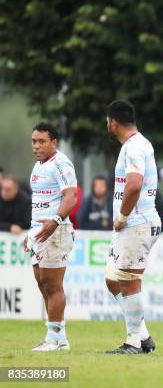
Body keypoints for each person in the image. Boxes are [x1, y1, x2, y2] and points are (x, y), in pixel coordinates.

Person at [104, 99, 161, 354]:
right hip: (130, 225)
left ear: (113, 122)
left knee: (129, 281)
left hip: (136, 223)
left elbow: (134, 184)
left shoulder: (134, 147)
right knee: (112, 278)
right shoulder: (134, 145)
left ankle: (133, 342)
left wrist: (123, 216)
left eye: (107, 121)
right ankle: (144, 337)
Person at [25, 122, 78, 351]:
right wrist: (31, 232)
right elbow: (39, 202)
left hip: (56, 230)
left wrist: (55, 221)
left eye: (42, 141)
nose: (36, 146)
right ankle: (60, 337)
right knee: (42, 283)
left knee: (53, 285)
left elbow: (71, 196)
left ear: (53, 142)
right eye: (34, 141)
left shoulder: (61, 163)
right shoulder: (38, 166)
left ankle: (53, 339)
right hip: (39, 232)